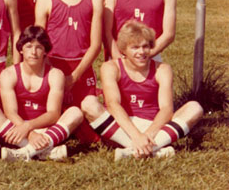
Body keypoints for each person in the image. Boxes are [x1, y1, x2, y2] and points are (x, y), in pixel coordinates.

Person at [83, 21, 202, 160]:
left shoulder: (162, 69)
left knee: (195, 107)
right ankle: (152, 150)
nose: (141, 52)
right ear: (123, 50)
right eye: (135, 47)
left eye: (145, 46)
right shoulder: (110, 67)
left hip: (152, 127)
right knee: (88, 103)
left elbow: (166, 109)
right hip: (122, 128)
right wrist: (136, 136)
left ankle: (133, 151)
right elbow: (113, 104)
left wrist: (148, 135)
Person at [0, 26, 83, 161]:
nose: (33, 52)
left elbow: (53, 114)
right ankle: (45, 151)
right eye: (29, 46)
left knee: (76, 112)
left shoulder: (55, 74)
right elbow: (10, 112)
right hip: (17, 129)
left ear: (45, 51)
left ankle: (24, 152)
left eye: (39, 47)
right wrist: (29, 134)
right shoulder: (8, 74)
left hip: (45, 130)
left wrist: (29, 127)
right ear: (21, 49)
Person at [34, 0, 103, 113]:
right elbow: (38, 44)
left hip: (82, 67)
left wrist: (73, 78)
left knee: (87, 122)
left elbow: (96, 45)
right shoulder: (45, 0)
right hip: (52, 65)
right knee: (51, 116)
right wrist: (56, 76)